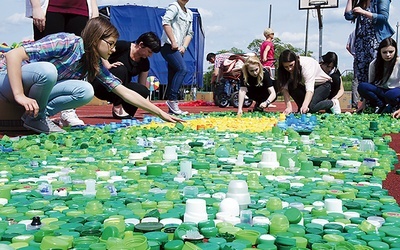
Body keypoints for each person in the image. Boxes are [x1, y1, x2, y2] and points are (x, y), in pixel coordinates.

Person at [0, 17, 182, 134]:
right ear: (96, 38)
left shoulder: (93, 62)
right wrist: (19, 95)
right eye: (110, 44)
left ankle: (38, 118)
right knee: (48, 71)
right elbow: (13, 55)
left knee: (85, 90)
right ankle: (35, 117)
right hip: (10, 83)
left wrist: (160, 113)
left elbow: (124, 92)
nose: (113, 49)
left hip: (34, 92)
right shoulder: (68, 42)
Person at [26, 0, 100, 127]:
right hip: (51, 7)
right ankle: (35, 111)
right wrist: (36, 6)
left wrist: (94, 8)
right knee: (44, 61)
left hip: (80, 9)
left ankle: (68, 111)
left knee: (78, 58)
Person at [91, 32, 161, 119]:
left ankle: (126, 112)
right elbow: (98, 50)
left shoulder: (145, 63)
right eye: (149, 51)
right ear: (141, 44)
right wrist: (107, 65)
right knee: (121, 69)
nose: (150, 55)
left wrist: (148, 106)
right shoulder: (123, 46)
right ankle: (118, 106)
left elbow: (142, 85)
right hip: (102, 85)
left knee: (143, 90)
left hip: (120, 90)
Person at [344, 0, 394, 84]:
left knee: (376, 71)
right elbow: (348, 16)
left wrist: (363, 12)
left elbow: (383, 18)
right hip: (361, 43)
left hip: (375, 41)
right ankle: (365, 95)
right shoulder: (362, 3)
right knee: (361, 75)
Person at [160, 0, 194, 115]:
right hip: (168, 46)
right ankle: (172, 100)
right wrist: (173, 41)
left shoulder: (189, 13)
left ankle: (171, 109)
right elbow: (166, 22)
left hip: (179, 49)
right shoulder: (174, 7)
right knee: (182, 69)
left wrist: (184, 46)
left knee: (173, 74)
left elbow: (190, 33)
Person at [276, 49, 333, 114]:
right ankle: (302, 107)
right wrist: (288, 107)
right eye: (286, 67)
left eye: (291, 65)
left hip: (323, 85)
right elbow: (285, 89)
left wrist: (305, 105)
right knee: (291, 86)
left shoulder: (306, 65)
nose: (289, 69)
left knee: (310, 107)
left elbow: (309, 89)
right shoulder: (283, 71)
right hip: (305, 87)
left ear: (296, 60)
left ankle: (332, 103)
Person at [358, 37, 400, 114]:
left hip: (395, 91)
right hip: (380, 91)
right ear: (380, 52)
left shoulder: (399, 63)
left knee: (390, 94)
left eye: (391, 52)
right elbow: (371, 83)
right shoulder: (374, 64)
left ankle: (395, 107)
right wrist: (363, 104)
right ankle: (380, 105)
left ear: (396, 51)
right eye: (384, 52)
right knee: (362, 86)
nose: (388, 55)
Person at [346, 30, 360, 109]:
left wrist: (354, 54)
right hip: (368, 57)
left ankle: (355, 103)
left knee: (356, 80)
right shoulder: (367, 31)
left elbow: (347, 46)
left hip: (357, 58)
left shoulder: (352, 33)